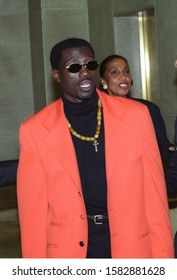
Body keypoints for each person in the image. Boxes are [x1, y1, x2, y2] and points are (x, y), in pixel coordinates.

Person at [17, 38, 174, 258]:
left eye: (90, 65)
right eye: (74, 67)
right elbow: (33, 217)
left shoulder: (136, 116)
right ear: (57, 75)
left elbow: (155, 200)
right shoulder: (34, 131)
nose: (84, 73)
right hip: (70, 251)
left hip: (130, 246)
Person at [99, 54, 175, 168]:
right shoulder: (97, 114)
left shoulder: (148, 109)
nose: (123, 77)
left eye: (126, 71)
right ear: (103, 81)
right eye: (114, 72)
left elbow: (165, 152)